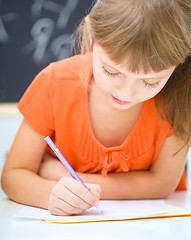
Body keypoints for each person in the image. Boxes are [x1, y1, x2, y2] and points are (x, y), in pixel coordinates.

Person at [1, 0, 191, 216]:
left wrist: (58, 174)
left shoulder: (180, 98)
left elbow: (162, 185)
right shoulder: (53, 84)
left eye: (150, 82)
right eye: (111, 71)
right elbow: (13, 175)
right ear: (91, 32)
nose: (125, 93)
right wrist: (50, 193)